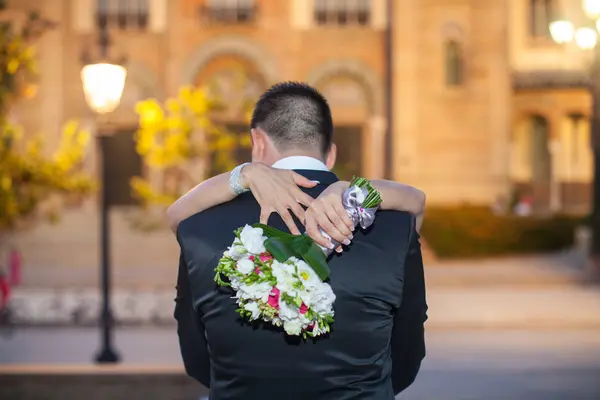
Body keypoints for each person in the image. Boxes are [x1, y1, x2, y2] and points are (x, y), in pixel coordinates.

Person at [174, 82, 428, 399]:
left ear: (257, 141)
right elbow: (407, 353)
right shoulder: (395, 225)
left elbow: (197, 359)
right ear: (331, 153)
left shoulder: (199, 228)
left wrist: (243, 174)